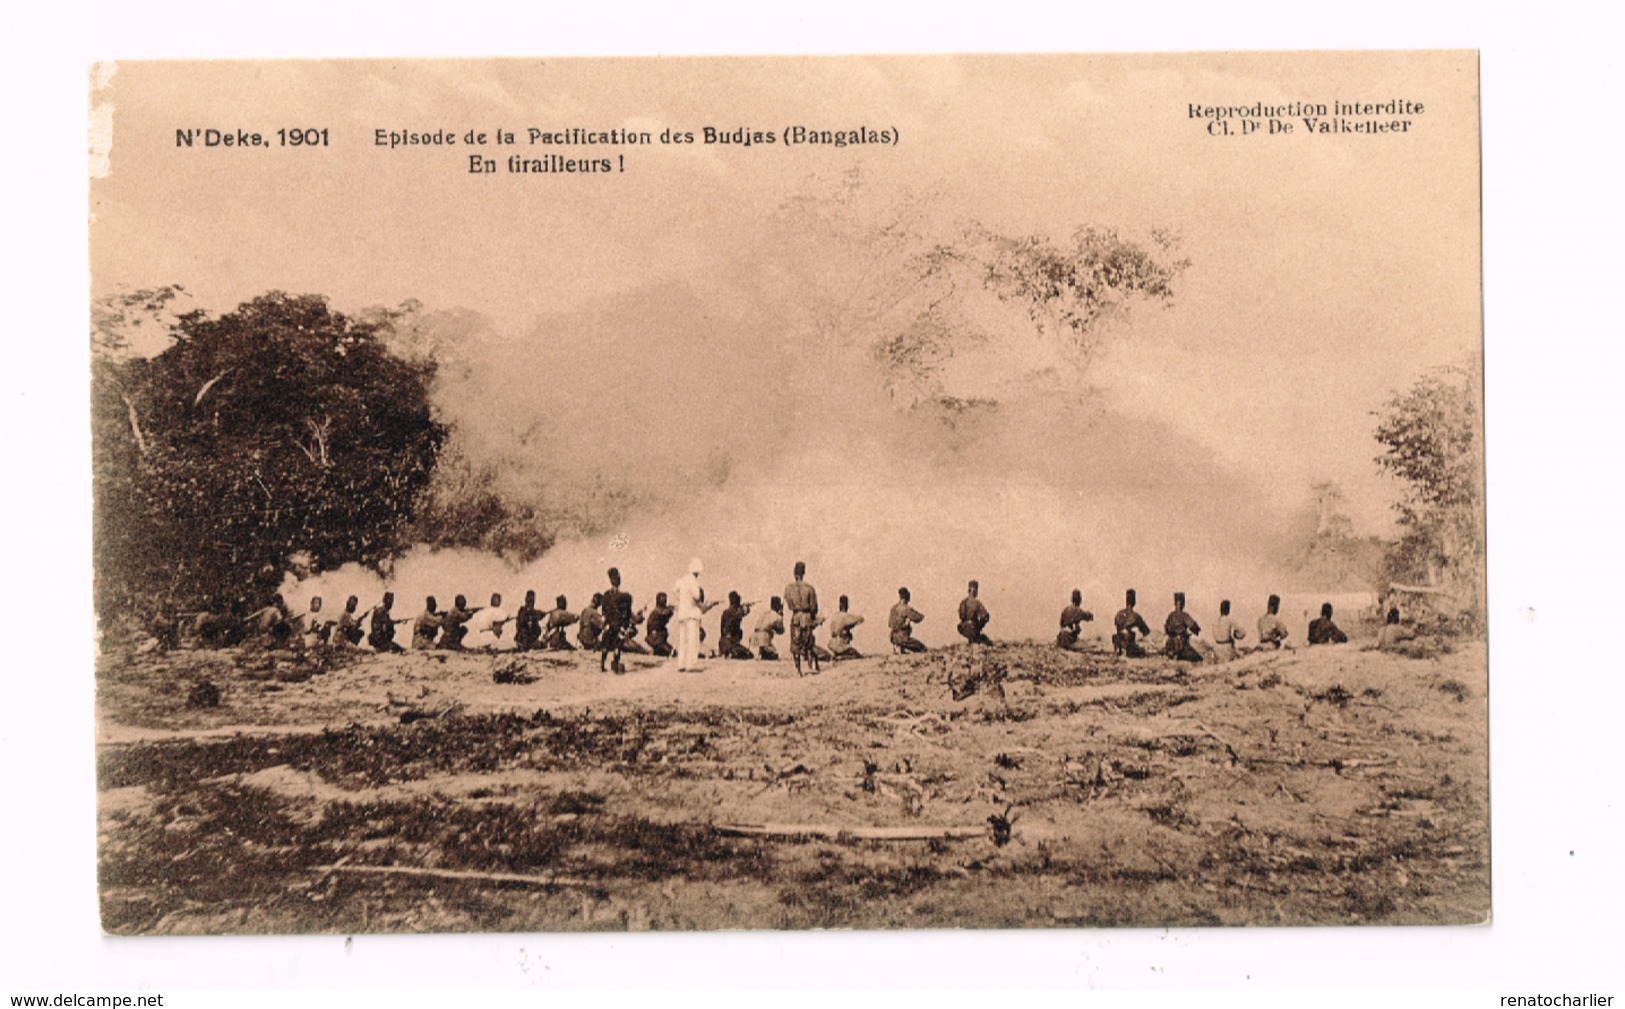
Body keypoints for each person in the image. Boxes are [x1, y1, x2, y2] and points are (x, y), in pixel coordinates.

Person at [674, 557, 718, 672]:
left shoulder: (682, 580)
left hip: (682, 613)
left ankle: (681, 664)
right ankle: (691, 665)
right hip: (692, 614)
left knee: (683, 640)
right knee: (693, 640)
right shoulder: (693, 582)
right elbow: (697, 597)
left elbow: (675, 590)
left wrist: (682, 600)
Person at [785, 561, 823, 674]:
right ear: (804, 573)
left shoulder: (788, 588)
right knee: (809, 643)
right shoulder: (809, 588)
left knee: (795, 643)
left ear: (794, 572)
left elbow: (789, 605)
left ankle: (798, 669)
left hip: (796, 616)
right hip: (806, 616)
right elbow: (814, 607)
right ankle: (809, 666)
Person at [599, 568, 634, 673]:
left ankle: (602, 665)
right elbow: (627, 613)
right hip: (619, 624)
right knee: (618, 645)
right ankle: (615, 664)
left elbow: (604, 611)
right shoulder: (625, 596)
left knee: (605, 644)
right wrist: (626, 624)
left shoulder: (605, 596)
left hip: (608, 624)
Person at [1163, 592, 1204, 662]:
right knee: (1199, 659)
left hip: (1170, 645)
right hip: (1181, 646)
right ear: (1183, 603)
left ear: (1175, 603)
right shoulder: (1184, 616)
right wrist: (1197, 629)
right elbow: (1194, 627)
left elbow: (1166, 628)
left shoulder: (1170, 615)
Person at [1112, 589, 1152, 658]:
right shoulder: (1136, 616)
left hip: (1118, 643)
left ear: (1126, 601)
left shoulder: (1118, 614)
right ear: (1134, 601)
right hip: (1129, 646)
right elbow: (1146, 631)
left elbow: (1116, 625)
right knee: (1143, 653)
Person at [717, 591, 756, 660]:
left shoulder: (726, 612)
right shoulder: (735, 611)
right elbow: (743, 613)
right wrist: (746, 607)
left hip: (723, 642)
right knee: (748, 655)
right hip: (730, 643)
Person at [888, 587, 927, 654]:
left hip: (893, 638)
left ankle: (899, 648)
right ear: (907, 597)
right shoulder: (906, 609)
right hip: (903, 639)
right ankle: (901, 647)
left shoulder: (893, 608)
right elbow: (918, 618)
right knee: (923, 649)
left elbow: (890, 624)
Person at [827, 595, 865, 660]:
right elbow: (860, 619)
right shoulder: (845, 616)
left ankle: (838, 655)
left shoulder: (835, 616)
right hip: (841, 645)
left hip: (833, 643)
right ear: (846, 605)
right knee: (856, 655)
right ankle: (841, 657)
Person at [957, 580, 992, 645]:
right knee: (984, 640)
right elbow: (986, 616)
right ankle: (976, 638)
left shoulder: (963, 602)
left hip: (963, 627)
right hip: (974, 627)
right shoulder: (977, 603)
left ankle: (973, 639)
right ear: (975, 591)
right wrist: (979, 625)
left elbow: (961, 616)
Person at [645, 592, 676, 657]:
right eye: (663, 599)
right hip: (654, 635)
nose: (664, 600)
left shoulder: (662, 610)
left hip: (659, 635)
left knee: (670, 650)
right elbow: (663, 613)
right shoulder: (657, 611)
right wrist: (671, 609)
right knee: (667, 651)